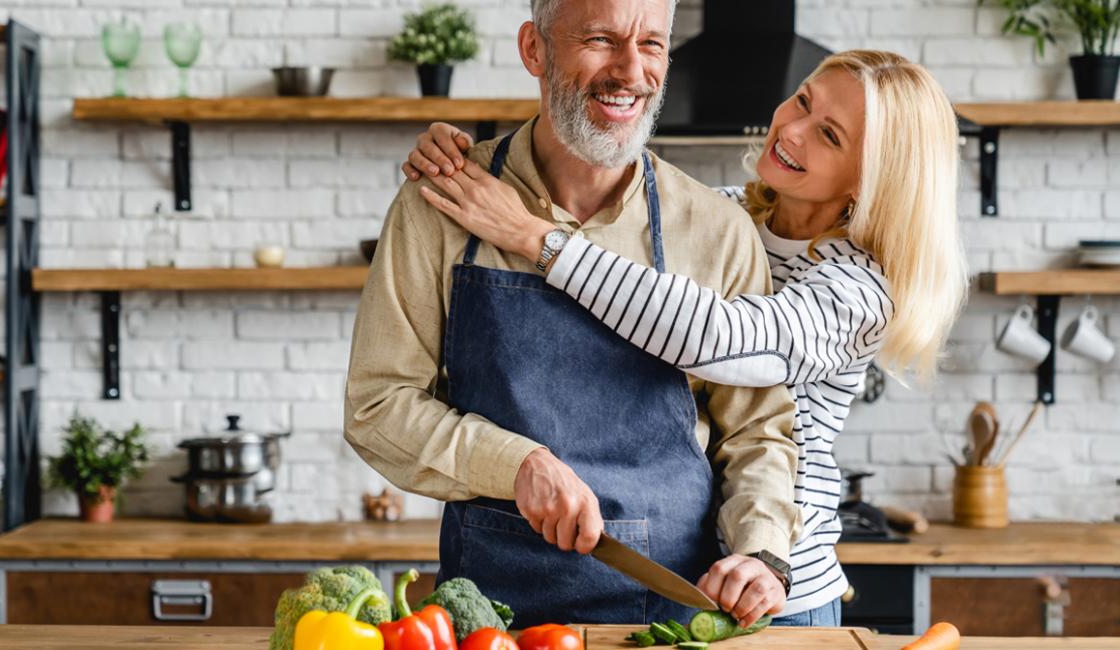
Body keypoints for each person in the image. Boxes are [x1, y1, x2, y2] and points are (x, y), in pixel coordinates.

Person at [399, 49, 968, 626]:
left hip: (775, 582)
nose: (792, 130)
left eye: (829, 134)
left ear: (873, 178)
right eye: (802, 102)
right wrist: (469, 163)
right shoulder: (724, 217)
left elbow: (718, 340)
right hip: (692, 569)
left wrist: (532, 237)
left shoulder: (857, 289)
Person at [345, 0, 802, 631]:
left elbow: (755, 430)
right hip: (488, 619)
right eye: (600, 39)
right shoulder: (442, 200)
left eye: (652, 44)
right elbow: (378, 404)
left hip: (671, 618)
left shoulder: (716, 230)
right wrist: (516, 464)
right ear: (533, 49)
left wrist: (760, 550)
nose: (631, 70)